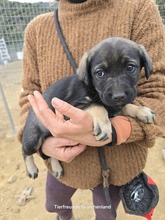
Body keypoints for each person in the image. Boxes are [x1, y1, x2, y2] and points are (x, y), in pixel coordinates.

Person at [18, 0, 165, 219]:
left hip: (118, 168)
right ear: (88, 74)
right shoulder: (37, 30)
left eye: (130, 68)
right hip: (62, 164)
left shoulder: (139, 9)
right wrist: (46, 149)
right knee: (55, 204)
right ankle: (29, 160)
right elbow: (30, 98)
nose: (117, 93)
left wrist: (123, 126)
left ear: (144, 65)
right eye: (101, 74)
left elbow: (157, 92)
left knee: (106, 214)